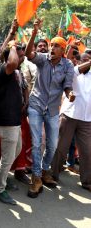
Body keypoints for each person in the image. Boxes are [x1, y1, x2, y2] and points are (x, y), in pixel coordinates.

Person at [25, 18, 74, 198]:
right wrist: (34, 33)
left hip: (53, 109)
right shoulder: (43, 60)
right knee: (37, 143)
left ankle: (45, 170)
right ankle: (36, 177)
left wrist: (69, 94)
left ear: (62, 50)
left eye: (56, 46)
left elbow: (67, 85)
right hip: (36, 106)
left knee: (52, 145)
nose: (52, 48)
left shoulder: (68, 65)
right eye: (51, 45)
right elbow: (29, 53)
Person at [0, 24, 26, 205]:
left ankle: (2, 175)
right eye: (18, 55)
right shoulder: (2, 69)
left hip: (15, 121)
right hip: (6, 122)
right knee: (7, 157)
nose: (21, 58)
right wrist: (13, 45)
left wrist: (12, 33)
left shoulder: (9, 70)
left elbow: (10, 59)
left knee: (17, 150)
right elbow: (11, 61)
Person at [51, 52, 91, 192]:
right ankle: (53, 175)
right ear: (78, 61)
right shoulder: (72, 71)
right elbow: (76, 71)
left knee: (87, 152)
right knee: (61, 148)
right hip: (69, 116)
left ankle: (87, 181)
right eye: (85, 60)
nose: (87, 62)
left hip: (87, 119)